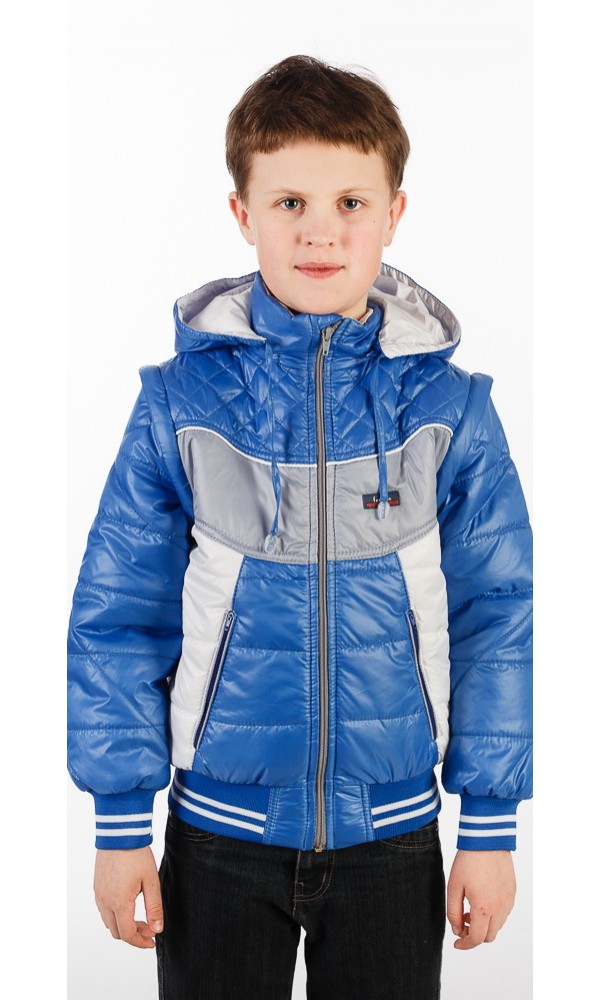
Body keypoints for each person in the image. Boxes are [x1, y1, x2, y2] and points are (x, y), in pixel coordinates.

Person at [68, 55, 532, 999]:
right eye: (290, 203)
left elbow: (499, 619)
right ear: (242, 212)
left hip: (394, 843)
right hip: (217, 842)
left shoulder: (451, 412)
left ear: (395, 212)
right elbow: (117, 616)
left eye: (351, 202)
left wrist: (489, 825)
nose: (321, 231)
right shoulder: (179, 408)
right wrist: (120, 823)